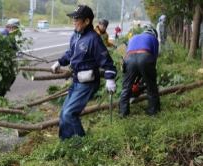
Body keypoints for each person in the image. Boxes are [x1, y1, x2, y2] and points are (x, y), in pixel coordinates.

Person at [51, 5, 117, 140]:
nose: (73, 21)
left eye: (77, 19)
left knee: (69, 113)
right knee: (64, 113)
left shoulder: (94, 39)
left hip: (88, 82)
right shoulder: (75, 36)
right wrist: (60, 62)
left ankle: (82, 143)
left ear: (87, 21)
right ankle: (66, 142)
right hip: (76, 81)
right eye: (73, 18)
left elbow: (107, 61)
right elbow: (70, 53)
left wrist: (110, 79)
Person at [119, 24, 160, 117]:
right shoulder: (154, 39)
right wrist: (149, 74)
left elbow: (128, 52)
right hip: (145, 57)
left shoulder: (134, 37)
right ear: (154, 34)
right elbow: (154, 58)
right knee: (151, 86)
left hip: (129, 59)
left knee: (126, 88)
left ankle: (123, 113)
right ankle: (153, 111)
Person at [0, 18, 21, 97]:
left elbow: (15, 48)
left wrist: (19, 53)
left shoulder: (11, 36)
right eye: (16, 28)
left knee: (12, 77)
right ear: (10, 27)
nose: (17, 31)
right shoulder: (1, 35)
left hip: (7, 62)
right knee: (3, 82)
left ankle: (1, 96)